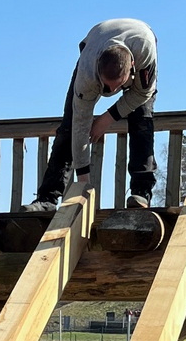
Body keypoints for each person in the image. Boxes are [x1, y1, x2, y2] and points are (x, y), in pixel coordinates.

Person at [33, 19, 158, 211]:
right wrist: (83, 181)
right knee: (68, 129)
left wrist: (107, 118)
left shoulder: (144, 53)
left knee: (142, 120)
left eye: (118, 86)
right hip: (95, 42)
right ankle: (46, 199)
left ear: (132, 66)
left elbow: (142, 93)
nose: (112, 91)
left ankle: (141, 193)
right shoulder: (87, 74)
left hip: (141, 37)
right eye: (106, 87)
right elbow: (79, 124)